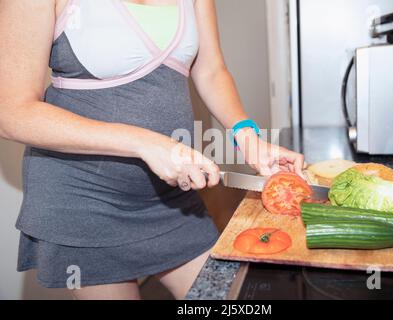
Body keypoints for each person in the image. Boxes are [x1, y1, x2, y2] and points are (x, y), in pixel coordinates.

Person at [0, 0, 304, 300]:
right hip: (83, 199)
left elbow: (211, 70)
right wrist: (144, 142)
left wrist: (247, 137)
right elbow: (11, 114)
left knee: (230, 298)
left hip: (171, 198)